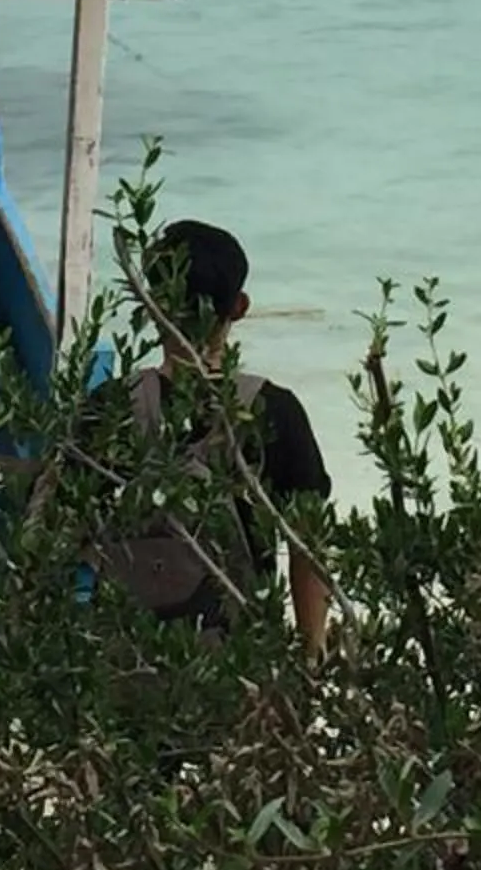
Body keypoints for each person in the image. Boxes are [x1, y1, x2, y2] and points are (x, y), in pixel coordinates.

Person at [119, 219, 333, 658]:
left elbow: (59, 535)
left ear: (151, 305)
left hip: (126, 670)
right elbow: (307, 551)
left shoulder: (111, 409)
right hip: (239, 671)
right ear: (239, 306)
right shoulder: (274, 410)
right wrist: (313, 658)